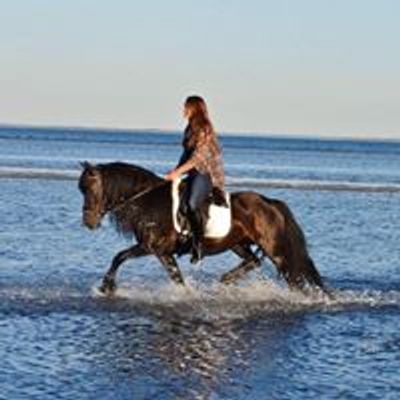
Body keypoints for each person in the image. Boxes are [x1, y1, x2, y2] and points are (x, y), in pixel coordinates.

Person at [165, 95, 225, 263]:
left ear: (194, 108)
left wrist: (178, 173)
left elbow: (198, 158)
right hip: (192, 172)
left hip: (205, 173)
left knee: (192, 205)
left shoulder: (204, 127)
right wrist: (175, 171)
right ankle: (183, 237)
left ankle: (199, 245)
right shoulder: (189, 128)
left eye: (186, 107)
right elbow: (186, 154)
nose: (183, 110)